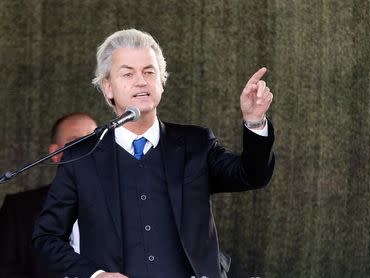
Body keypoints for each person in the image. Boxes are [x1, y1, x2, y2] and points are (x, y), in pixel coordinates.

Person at [33, 29, 275, 278]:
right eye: (128, 73)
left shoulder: (196, 144)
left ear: (161, 82)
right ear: (108, 87)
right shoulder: (81, 156)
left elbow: (251, 175)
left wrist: (255, 122)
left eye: (149, 72)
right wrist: (95, 275)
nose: (141, 81)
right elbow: (47, 237)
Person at [0, 113, 97, 278]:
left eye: (94, 140)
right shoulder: (19, 209)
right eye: (76, 142)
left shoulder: (124, 202)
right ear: (55, 153)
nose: (88, 149)